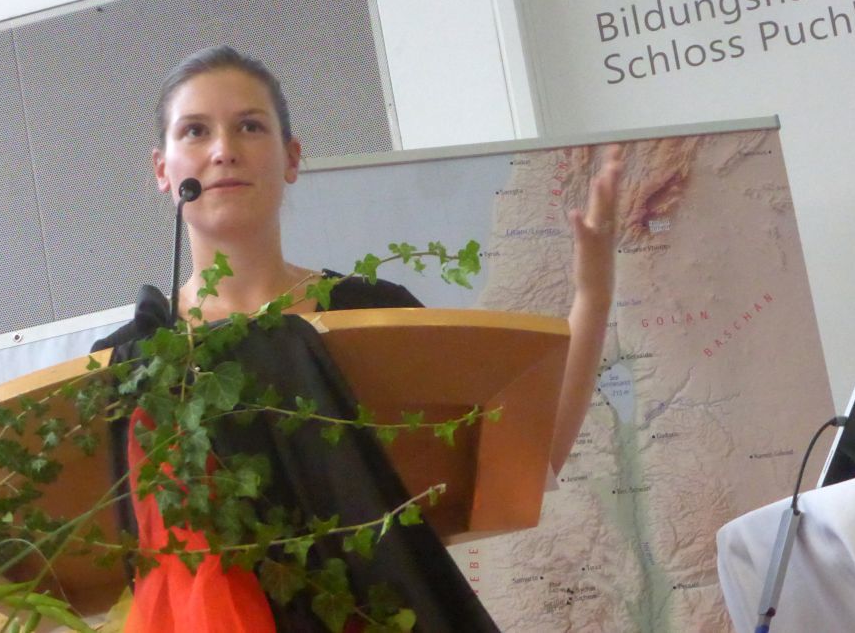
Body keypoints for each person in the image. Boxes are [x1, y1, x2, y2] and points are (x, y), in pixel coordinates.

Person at [94, 45, 622, 632]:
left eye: (250, 126)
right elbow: (95, 560)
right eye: (195, 131)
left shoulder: (374, 315)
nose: (223, 150)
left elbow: (526, 466)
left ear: (292, 157)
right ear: (162, 169)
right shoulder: (130, 363)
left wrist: (593, 297)